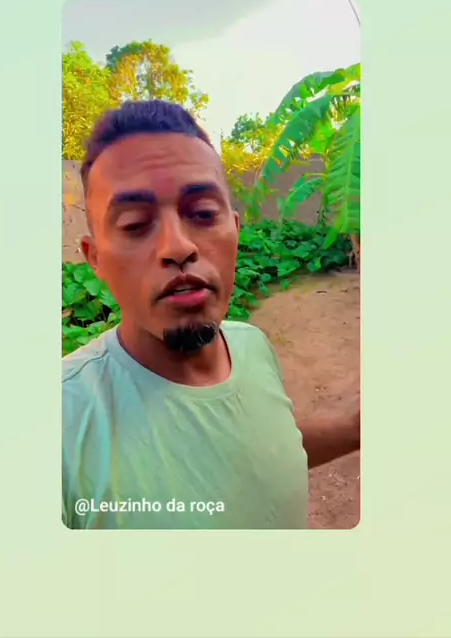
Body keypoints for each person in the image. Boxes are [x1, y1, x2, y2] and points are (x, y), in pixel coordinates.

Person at [62, 100, 360, 529]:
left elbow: (257, 448)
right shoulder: (61, 425)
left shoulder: (251, 345)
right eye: (134, 224)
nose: (177, 247)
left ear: (236, 230)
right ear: (95, 259)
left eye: (203, 214)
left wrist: (356, 426)